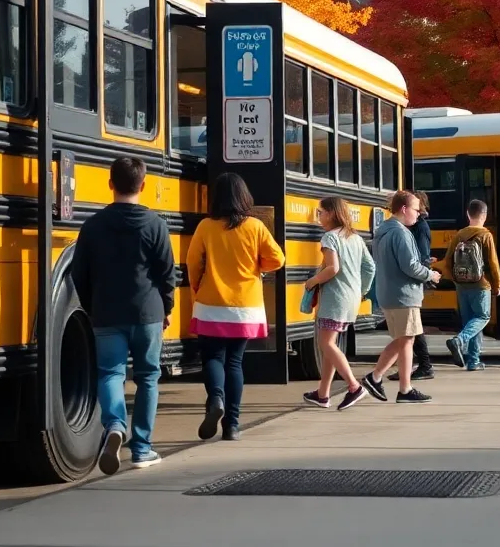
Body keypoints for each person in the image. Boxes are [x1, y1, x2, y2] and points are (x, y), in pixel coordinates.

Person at [71, 156, 175, 475]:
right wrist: (166, 308)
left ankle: (115, 425)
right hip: (148, 314)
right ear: (142, 185)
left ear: (110, 183)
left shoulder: (92, 226)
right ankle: (142, 449)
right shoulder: (155, 224)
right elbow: (167, 274)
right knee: (147, 378)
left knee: (110, 374)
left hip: (106, 313)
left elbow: (79, 273)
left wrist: (91, 307)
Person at [188, 172, 285, 441]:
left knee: (212, 358)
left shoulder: (206, 227)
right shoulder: (254, 227)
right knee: (235, 362)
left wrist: (198, 287)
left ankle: (215, 399)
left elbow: (193, 263)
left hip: (211, 303)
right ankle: (232, 424)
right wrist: (257, 268)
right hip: (246, 306)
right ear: (244, 197)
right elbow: (277, 258)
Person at [361, 190, 441, 404]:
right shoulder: (401, 233)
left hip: (389, 292)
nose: (419, 214)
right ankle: (376, 377)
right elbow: (410, 266)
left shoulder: (383, 232)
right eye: (416, 209)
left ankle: (403, 387)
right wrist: (430, 274)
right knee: (405, 338)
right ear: (404, 209)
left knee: (405, 340)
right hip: (404, 294)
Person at [302, 196, 376, 411]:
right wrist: (361, 291)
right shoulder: (355, 238)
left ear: (331, 213)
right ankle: (323, 394)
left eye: (321, 212)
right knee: (330, 345)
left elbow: (332, 268)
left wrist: (312, 281)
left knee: (325, 344)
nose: (319, 217)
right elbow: (370, 267)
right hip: (351, 298)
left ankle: (354, 387)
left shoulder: (329, 238)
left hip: (335, 298)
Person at [440, 199, 500, 371]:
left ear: (468, 214)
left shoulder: (459, 235)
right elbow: (493, 263)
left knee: (470, 322)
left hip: (462, 285)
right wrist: (497, 284)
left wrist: (455, 279)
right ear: (485, 215)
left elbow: (447, 262)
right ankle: (459, 341)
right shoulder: (485, 235)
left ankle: (473, 361)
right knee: (482, 317)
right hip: (481, 284)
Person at [392, 190, 436, 383]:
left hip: (414, 279)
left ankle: (424, 366)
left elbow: (421, 255)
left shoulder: (420, 227)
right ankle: (409, 368)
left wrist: (426, 274)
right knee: (409, 328)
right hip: (411, 277)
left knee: (412, 328)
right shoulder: (409, 227)